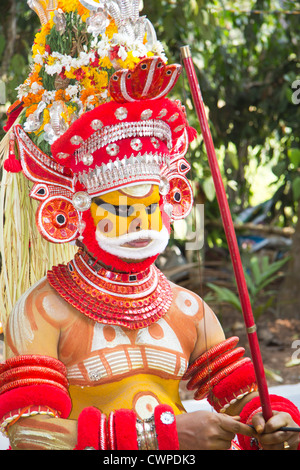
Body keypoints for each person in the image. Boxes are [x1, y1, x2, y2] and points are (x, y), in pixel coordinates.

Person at [1, 0, 299, 451]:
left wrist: (272, 423)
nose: (140, 221)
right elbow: (29, 433)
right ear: (73, 212)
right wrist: (161, 437)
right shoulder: (42, 310)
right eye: (119, 208)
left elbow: (245, 397)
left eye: (151, 206)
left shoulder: (189, 310)